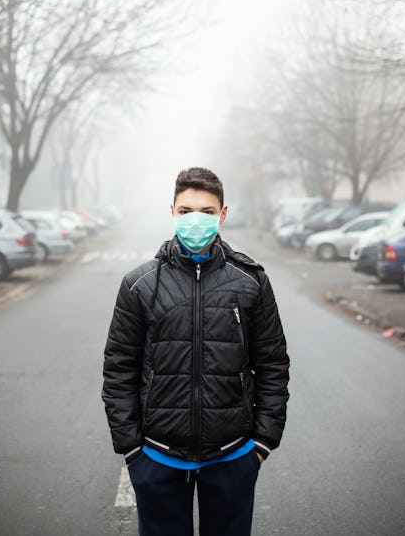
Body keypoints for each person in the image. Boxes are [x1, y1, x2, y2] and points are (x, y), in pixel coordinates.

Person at [102, 167, 290, 536]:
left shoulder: (251, 282)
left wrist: (263, 443)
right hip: (157, 456)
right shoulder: (139, 284)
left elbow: (272, 364)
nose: (195, 220)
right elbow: (119, 369)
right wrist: (132, 450)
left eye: (206, 211)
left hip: (234, 454)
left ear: (222, 214)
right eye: (186, 211)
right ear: (171, 211)